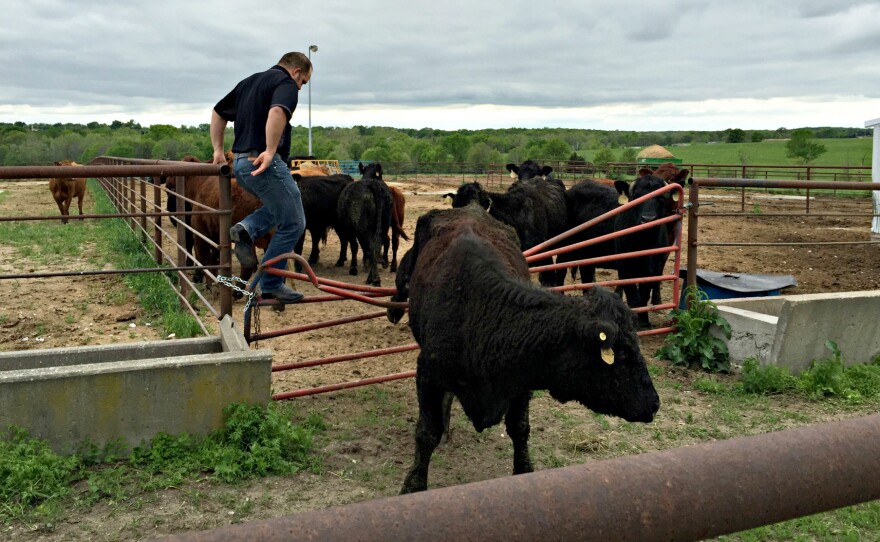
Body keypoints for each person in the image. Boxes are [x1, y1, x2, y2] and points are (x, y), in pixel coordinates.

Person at [210, 52, 312, 304]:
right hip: (263, 163)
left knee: (283, 210)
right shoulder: (286, 83)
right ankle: (272, 284)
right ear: (296, 72)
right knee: (295, 222)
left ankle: (246, 229)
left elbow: (218, 112)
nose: (301, 87)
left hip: (241, 165)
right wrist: (270, 150)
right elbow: (277, 111)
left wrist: (218, 151)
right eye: (304, 81)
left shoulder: (249, 82)